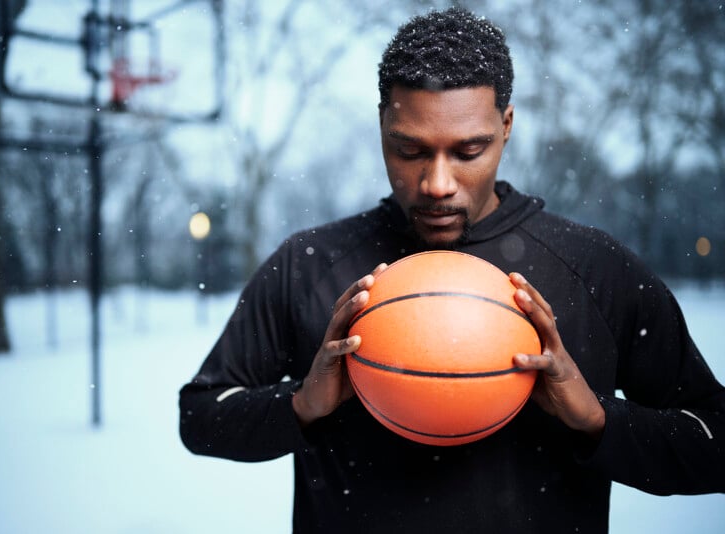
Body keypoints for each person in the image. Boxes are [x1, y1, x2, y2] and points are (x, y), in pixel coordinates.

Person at [179, 6, 725, 532]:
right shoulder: (309, 264)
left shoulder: (596, 269)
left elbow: (715, 441)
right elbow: (200, 417)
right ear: (381, 126)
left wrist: (596, 419)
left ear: (506, 126)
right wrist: (301, 405)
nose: (437, 183)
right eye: (410, 149)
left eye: (469, 151)